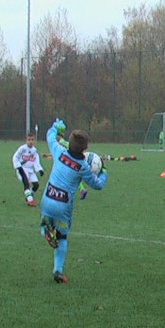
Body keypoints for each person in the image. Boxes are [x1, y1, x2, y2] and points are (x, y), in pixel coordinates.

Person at [39, 118, 107, 283]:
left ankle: (45, 231)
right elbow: (98, 185)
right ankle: (58, 271)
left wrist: (55, 127)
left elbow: (50, 136)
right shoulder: (83, 167)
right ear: (85, 149)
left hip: (47, 199)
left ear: (68, 143)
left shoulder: (59, 151)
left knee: (46, 223)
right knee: (62, 237)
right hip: (63, 207)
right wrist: (103, 172)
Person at [12, 132, 45, 207]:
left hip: (30, 170)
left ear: (34, 141)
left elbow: (36, 161)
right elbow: (15, 157)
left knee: (36, 185)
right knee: (26, 184)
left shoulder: (34, 150)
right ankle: (30, 201)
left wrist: (40, 169)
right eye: (29, 139)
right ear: (26, 140)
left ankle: (29, 195)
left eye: (32, 140)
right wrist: (18, 166)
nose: (30, 141)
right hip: (22, 168)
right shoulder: (22, 148)